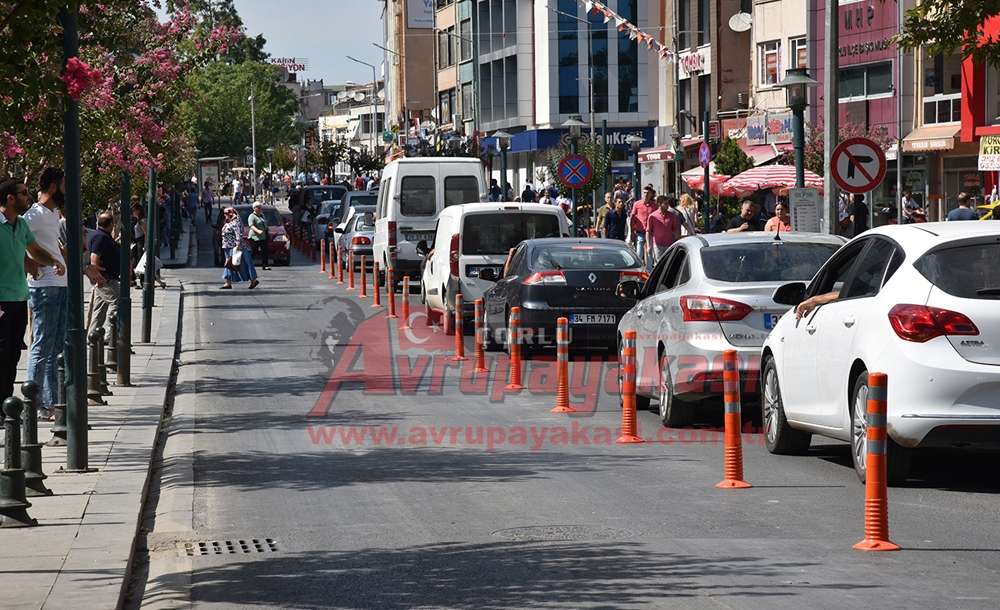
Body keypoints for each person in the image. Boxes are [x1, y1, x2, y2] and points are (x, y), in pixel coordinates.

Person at [1, 178, 65, 402]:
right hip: (1, 300)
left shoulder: (21, 225)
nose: (28, 196)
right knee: (2, 354)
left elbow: (34, 250)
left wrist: (52, 261)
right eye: (23, 193)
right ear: (10, 198)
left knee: (12, 356)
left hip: (19, 296)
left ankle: (6, 406)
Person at [22, 168, 69, 415]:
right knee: (41, 344)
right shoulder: (34, 215)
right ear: (52, 187)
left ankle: (51, 402)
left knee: (56, 346)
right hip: (44, 286)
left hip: (60, 284)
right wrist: (30, 264)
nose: (65, 189)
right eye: (63, 184)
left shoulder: (54, 213)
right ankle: (35, 402)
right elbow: (19, 241)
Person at [88, 212, 121, 344]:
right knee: (117, 303)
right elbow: (94, 258)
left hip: (106, 278)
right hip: (106, 279)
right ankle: (109, 335)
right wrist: (99, 277)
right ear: (111, 224)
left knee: (99, 309)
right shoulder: (100, 237)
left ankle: (92, 335)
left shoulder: (102, 236)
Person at [219, 207, 259, 290]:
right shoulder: (228, 222)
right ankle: (228, 282)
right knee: (229, 264)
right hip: (227, 246)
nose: (225, 215)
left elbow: (238, 234)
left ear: (231, 213)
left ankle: (253, 280)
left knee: (245, 263)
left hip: (235, 247)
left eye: (226, 213)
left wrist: (237, 246)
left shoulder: (235, 222)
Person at [646, 195, 680, 269]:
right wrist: (649, 245)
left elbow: (675, 230)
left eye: (668, 204)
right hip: (657, 246)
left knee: (669, 264)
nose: (668, 206)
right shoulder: (652, 216)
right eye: (665, 204)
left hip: (669, 245)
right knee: (658, 265)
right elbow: (648, 231)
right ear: (659, 204)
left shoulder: (672, 216)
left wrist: (677, 241)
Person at [629, 186, 657, 262]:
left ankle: (649, 271)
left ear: (651, 194)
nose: (645, 195)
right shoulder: (637, 204)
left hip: (651, 233)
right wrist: (631, 232)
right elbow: (632, 218)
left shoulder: (654, 205)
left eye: (648, 193)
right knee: (639, 253)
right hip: (640, 232)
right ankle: (638, 270)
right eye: (644, 193)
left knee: (650, 253)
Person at [247, 202, 270, 270]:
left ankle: (265, 265)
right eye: (258, 207)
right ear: (254, 208)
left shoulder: (262, 215)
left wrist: (267, 229)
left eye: (260, 207)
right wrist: (258, 231)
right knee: (254, 251)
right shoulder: (252, 216)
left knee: (264, 251)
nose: (260, 209)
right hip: (255, 237)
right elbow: (251, 225)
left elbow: (264, 223)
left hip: (263, 236)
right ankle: (248, 264)